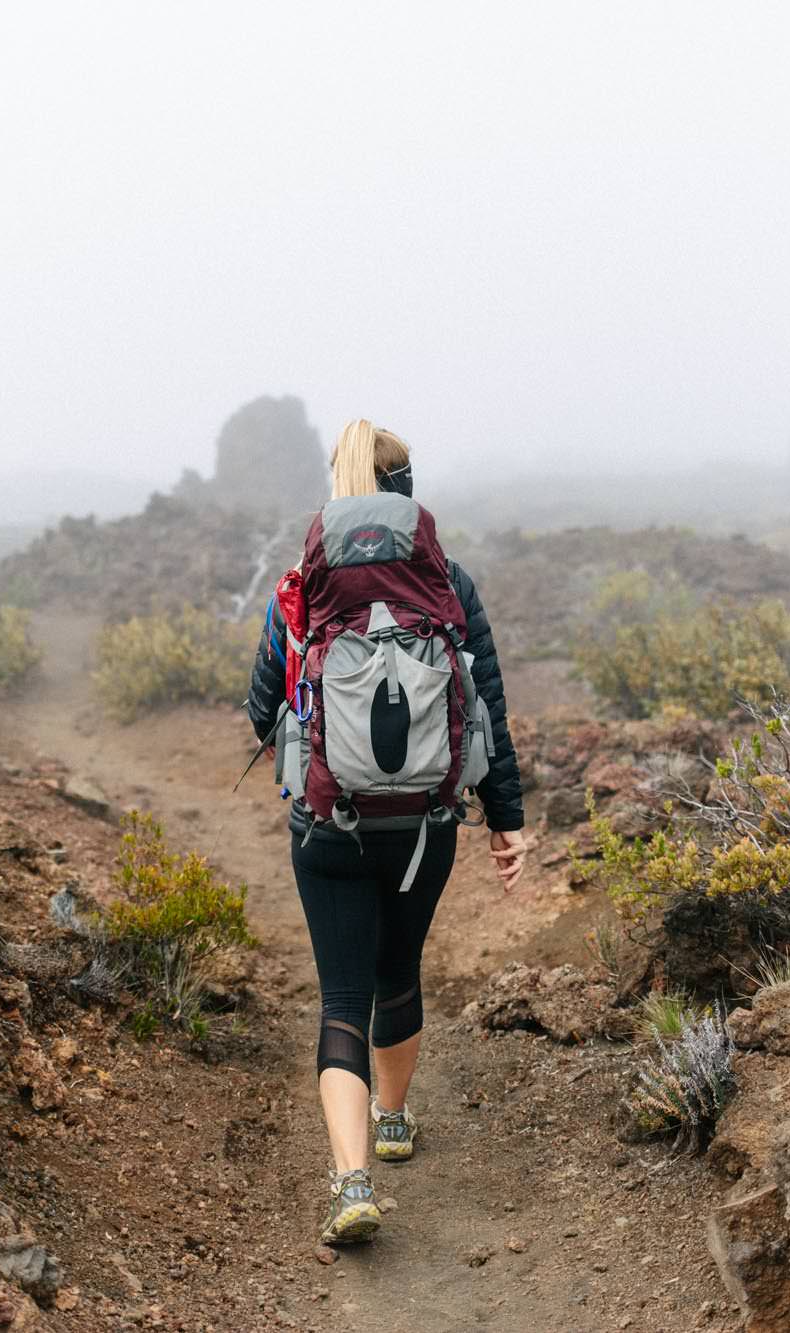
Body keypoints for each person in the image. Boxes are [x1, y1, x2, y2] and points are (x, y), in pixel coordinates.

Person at [245, 419, 528, 1244]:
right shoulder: (450, 582)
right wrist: (506, 823)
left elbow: (263, 708)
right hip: (427, 824)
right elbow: (489, 710)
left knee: (341, 996)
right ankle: (394, 1118)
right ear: (407, 490)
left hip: (328, 824)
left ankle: (351, 1180)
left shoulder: (302, 583)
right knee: (398, 967)